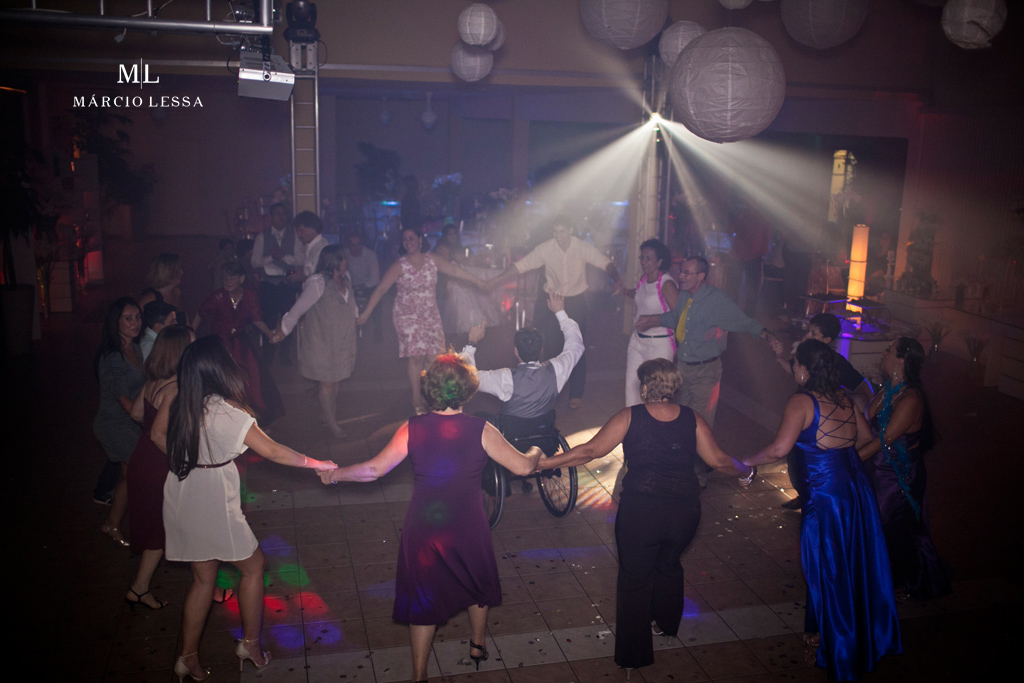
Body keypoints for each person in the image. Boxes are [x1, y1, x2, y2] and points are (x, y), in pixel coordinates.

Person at [318, 353, 541, 683]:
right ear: (467, 390)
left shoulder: (413, 428)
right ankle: (478, 645)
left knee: (423, 597)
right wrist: (536, 452)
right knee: (476, 583)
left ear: (429, 389)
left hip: (424, 529)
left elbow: (373, 470)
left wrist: (334, 474)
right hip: (468, 527)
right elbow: (523, 467)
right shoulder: (481, 428)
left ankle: (419, 673)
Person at [536, 359, 753, 673]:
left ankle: (633, 657)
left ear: (645, 387)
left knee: (634, 580)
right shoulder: (693, 418)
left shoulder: (630, 416)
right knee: (668, 564)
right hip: (684, 513)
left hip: (641, 513)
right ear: (674, 387)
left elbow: (590, 451)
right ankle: (667, 625)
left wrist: (544, 464)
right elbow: (719, 460)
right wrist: (747, 470)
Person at [153, 336, 336, 682]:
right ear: (217, 369)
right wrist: (316, 463)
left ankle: (186, 658)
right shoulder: (226, 412)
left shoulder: (180, 400)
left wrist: (189, 456)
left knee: (203, 579)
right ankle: (250, 644)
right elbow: (274, 451)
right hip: (212, 499)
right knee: (254, 567)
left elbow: (156, 435)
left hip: (183, 488)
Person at [743, 340, 901, 682]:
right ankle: (836, 634)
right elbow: (865, 438)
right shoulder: (844, 398)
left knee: (825, 569)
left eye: (796, 363)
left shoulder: (801, 401)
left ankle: (841, 651)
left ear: (804, 369)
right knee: (855, 563)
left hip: (827, 497)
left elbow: (778, 449)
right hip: (856, 491)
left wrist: (744, 462)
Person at [637, 256, 781, 485]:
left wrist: (767, 335)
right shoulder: (685, 296)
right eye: (681, 271)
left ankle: (697, 475)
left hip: (706, 371)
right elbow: (675, 318)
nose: (681, 276)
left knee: (698, 424)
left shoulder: (717, 301)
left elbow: (743, 322)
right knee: (677, 418)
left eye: (686, 273)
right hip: (682, 368)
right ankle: (679, 467)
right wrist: (652, 320)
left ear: (701, 276)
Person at [486, 215, 623, 409]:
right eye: (555, 232)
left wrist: (616, 278)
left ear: (570, 230)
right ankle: (551, 391)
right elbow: (522, 265)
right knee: (551, 348)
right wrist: (496, 280)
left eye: (561, 231)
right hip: (550, 302)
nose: (557, 236)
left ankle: (575, 393)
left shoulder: (582, 247)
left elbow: (604, 262)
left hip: (575, 302)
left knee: (577, 346)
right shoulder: (546, 248)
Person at [357, 226, 488, 413]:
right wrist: (365, 314)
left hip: (430, 314)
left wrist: (480, 282)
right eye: (405, 239)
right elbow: (380, 290)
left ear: (420, 239)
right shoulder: (399, 265)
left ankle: (432, 396)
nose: (408, 242)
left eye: (411, 238)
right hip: (407, 316)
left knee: (435, 358)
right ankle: (416, 400)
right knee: (416, 357)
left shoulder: (433, 260)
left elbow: (456, 271)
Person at [858, 337, 951, 600]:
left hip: (898, 477)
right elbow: (868, 427)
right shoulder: (888, 390)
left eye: (889, 350)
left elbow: (884, 440)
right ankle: (888, 578)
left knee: (892, 525)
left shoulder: (910, 398)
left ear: (901, 359)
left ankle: (907, 581)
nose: (883, 353)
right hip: (878, 471)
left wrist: (850, 461)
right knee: (880, 524)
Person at [124, 324, 193, 612]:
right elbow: (158, 435)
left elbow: (138, 414)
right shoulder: (176, 387)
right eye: (191, 343)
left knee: (159, 529)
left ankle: (138, 589)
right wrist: (185, 463)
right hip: (160, 466)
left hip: (142, 459)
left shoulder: (154, 380)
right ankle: (209, 587)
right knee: (190, 524)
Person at [778, 313, 873, 511]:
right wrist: (778, 356)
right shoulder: (806, 356)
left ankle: (813, 499)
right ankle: (803, 494)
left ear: (827, 340)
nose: (808, 336)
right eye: (809, 331)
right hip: (805, 413)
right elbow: (791, 369)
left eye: (814, 333)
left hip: (820, 419)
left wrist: (868, 408)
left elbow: (863, 385)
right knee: (796, 457)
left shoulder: (836, 362)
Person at [270, 245, 358, 439]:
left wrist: (358, 317)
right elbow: (297, 309)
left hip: (343, 338)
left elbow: (351, 305)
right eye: (343, 258)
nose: (346, 261)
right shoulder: (317, 283)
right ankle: (332, 422)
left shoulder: (346, 278)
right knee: (327, 381)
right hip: (323, 340)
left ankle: (327, 414)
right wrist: (283, 330)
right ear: (333, 260)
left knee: (336, 380)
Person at [193, 261, 283, 421]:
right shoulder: (217, 296)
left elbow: (257, 319)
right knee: (225, 377)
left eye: (232, 279)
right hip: (220, 344)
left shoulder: (250, 295)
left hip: (240, 343)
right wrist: (190, 334)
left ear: (241, 279)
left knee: (252, 374)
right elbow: (200, 314)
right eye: (225, 279)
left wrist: (270, 333)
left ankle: (255, 413)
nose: (227, 282)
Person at [92, 297, 144, 538]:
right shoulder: (113, 356)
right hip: (114, 424)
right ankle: (114, 523)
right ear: (116, 323)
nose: (135, 323)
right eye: (128, 318)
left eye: (137, 317)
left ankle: (112, 524)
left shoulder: (135, 348)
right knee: (133, 472)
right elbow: (125, 402)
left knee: (130, 475)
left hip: (130, 420)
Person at [622, 238, 679, 406]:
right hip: (637, 341)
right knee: (632, 389)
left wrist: (653, 321)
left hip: (659, 345)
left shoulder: (667, 284)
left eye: (648, 258)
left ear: (660, 261)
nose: (643, 261)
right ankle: (634, 428)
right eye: (642, 257)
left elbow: (679, 317)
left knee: (657, 393)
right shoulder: (643, 279)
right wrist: (625, 291)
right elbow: (642, 295)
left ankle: (655, 428)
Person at [251, 202, 303, 365]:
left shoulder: (294, 235)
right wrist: (272, 257)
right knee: (268, 319)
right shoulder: (262, 236)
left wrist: (283, 256)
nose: (280, 217)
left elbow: (301, 259)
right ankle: (268, 354)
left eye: (283, 213)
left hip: (289, 282)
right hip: (269, 285)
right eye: (277, 213)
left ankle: (285, 354)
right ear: (271, 216)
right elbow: (254, 262)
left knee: (289, 319)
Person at [346, 231, 383, 341]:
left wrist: (359, 287)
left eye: (358, 244)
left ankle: (378, 333)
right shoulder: (345, 255)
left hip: (368, 287)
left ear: (362, 244)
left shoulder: (371, 255)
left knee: (376, 297)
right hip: (351, 287)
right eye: (352, 245)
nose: (355, 248)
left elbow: (375, 279)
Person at [138, 253, 186, 323]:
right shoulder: (150, 298)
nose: (182, 272)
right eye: (178, 269)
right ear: (168, 272)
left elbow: (185, 321)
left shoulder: (177, 292)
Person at [289, 210, 328, 283]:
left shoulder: (321, 248)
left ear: (312, 229)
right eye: (297, 231)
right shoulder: (310, 246)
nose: (299, 235)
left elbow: (319, 278)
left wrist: (300, 277)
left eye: (301, 231)